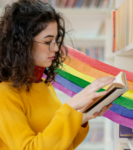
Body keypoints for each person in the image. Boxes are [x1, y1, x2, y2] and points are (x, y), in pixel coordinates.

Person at [0, 0, 115, 149]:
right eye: (48, 41)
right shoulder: (5, 94)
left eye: (56, 40)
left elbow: (61, 145)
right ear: (23, 43)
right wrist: (71, 106)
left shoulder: (43, 84)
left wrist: (80, 119)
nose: (55, 48)